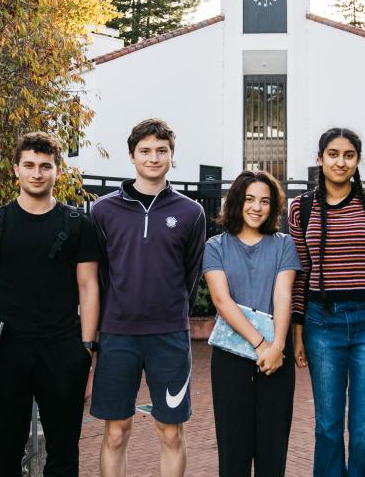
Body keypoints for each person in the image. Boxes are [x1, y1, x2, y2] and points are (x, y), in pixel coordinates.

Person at [0, 132, 100, 477]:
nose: (37, 173)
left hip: (62, 347)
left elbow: (89, 286)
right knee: (2, 456)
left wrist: (86, 349)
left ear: (57, 171)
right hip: (3, 348)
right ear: (16, 170)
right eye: (29, 165)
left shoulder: (78, 224)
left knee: (64, 456)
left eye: (45, 166)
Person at [89, 118, 207, 477]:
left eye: (161, 150)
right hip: (117, 336)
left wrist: (167, 309)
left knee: (170, 432)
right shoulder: (103, 210)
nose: (153, 158)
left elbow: (191, 274)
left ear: (172, 156)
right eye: (145, 151)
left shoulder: (191, 212)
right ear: (131, 155)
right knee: (115, 431)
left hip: (168, 335)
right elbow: (98, 275)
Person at [288, 127, 365, 477]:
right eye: (332, 154)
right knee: (327, 426)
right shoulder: (300, 209)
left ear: (357, 160)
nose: (340, 161)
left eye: (348, 155)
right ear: (320, 159)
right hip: (323, 324)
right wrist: (298, 331)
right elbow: (299, 275)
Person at [203, 170, 300, 477]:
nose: (257, 207)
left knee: (273, 451)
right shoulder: (216, 245)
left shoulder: (284, 244)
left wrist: (277, 347)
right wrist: (261, 344)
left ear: (273, 207)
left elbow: (283, 295)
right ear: (236, 202)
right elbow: (221, 300)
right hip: (232, 358)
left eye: (265, 201)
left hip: (276, 358)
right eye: (249, 199)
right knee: (234, 451)